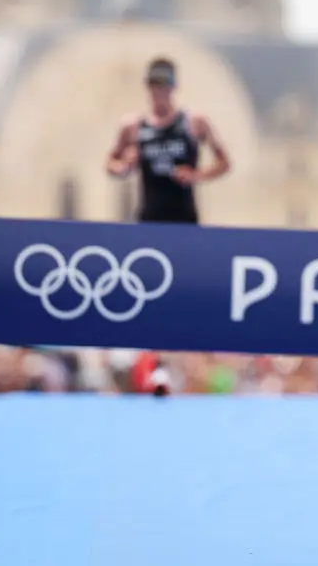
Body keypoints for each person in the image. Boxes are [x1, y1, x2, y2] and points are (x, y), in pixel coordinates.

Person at [105, 57, 231, 395]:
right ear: (148, 89)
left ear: (173, 88)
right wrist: (124, 166)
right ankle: (157, 368)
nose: (159, 93)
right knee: (149, 295)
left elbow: (224, 161)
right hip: (149, 221)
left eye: (164, 87)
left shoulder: (194, 122)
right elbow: (111, 162)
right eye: (154, 87)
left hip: (185, 222)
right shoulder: (133, 126)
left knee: (185, 295)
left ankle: (188, 370)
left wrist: (197, 176)